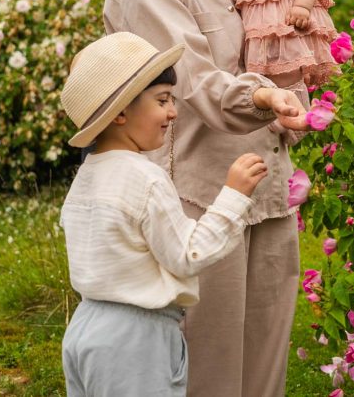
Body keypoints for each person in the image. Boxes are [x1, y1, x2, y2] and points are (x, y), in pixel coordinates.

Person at [103, 0, 306, 397]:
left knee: (266, 358)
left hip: (265, 185)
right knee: (210, 365)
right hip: (198, 196)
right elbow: (191, 80)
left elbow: (268, 43)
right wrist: (265, 97)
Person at [59, 31, 268, 397]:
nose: (173, 112)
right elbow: (188, 255)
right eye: (162, 100)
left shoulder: (86, 177)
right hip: (136, 337)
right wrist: (233, 196)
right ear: (121, 112)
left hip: (85, 328)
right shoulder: (145, 177)